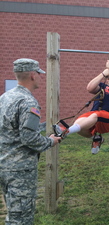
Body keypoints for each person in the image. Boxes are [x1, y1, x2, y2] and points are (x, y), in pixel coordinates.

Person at [0, 58, 61, 225]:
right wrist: (50, 142)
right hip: (21, 170)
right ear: (33, 75)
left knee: (13, 213)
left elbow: (11, 128)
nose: (41, 77)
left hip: (4, 165)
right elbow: (29, 138)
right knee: (21, 218)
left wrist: (43, 126)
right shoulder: (28, 101)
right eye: (39, 74)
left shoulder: (5, 97)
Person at [53, 60, 109, 154]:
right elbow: (89, 88)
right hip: (93, 116)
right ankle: (96, 138)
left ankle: (66, 131)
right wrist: (103, 74)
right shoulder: (101, 87)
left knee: (94, 116)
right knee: (79, 123)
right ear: (107, 79)